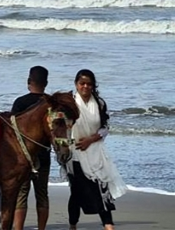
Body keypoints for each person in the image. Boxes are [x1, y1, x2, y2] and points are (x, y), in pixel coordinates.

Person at [67, 69, 127, 230]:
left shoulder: (100, 103)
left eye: (89, 84)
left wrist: (91, 139)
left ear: (93, 86)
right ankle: (73, 224)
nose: (85, 87)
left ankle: (108, 223)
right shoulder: (70, 103)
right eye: (82, 83)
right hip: (75, 154)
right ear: (76, 84)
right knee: (77, 192)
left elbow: (105, 127)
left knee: (102, 187)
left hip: (96, 151)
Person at [11, 65, 50, 230]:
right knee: (42, 195)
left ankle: (18, 228)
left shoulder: (20, 103)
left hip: (23, 158)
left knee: (21, 195)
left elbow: (12, 132)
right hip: (43, 155)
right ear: (46, 83)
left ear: (29, 81)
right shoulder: (49, 103)